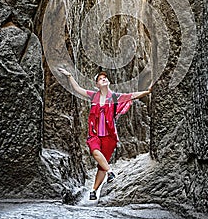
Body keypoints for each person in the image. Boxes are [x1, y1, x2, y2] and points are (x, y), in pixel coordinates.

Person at [58, 68, 152, 200]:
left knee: (102, 165)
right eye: (101, 79)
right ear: (97, 85)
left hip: (109, 136)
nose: (104, 79)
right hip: (94, 134)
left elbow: (132, 95)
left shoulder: (114, 97)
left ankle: (94, 190)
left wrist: (148, 91)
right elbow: (78, 89)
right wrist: (69, 76)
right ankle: (111, 172)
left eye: (105, 78)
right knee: (95, 152)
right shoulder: (93, 95)